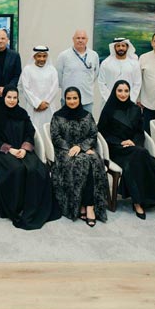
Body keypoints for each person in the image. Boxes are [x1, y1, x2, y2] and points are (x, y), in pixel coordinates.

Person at [0, 86, 59, 230]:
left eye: (15, 97)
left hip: (23, 150)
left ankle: (33, 206)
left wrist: (23, 148)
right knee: (17, 169)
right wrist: (10, 149)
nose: (12, 100)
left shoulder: (22, 113)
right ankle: (16, 208)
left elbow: (30, 132)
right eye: (9, 97)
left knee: (37, 169)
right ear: (4, 97)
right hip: (5, 153)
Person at [98, 80, 155, 219]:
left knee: (134, 162)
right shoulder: (108, 109)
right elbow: (102, 133)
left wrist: (133, 142)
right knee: (141, 153)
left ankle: (138, 203)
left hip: (133, 147)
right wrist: (120, 142)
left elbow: (140, 132)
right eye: (120, 91)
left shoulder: (135, 109)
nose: (123, 94)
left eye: (126, 91)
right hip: (116, 149)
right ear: (114, 92)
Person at [50, 87, 108, 227]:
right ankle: (86, 206)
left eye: (75, 98)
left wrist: (81, 147)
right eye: (69, 98)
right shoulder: (57, 116)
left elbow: (93, 135)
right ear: (65, 99)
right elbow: (56, 137)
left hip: (84, 149)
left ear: (80, 99)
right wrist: (72, 148)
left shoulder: (87, 115)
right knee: (83, 162)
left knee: (94, 160)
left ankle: (87, 206)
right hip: (65, 152)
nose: (72, 101)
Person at [56, 29, 99, 113]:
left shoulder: (94, 55)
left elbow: (95, 74)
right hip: (68, 99)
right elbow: (59, 76)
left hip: (87, 99)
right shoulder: (63, 55)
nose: (80, 40)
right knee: (66, 121)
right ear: (73, 39)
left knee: (86, 121)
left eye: (83, 38)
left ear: (87, 40)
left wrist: (86, 83)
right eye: (78, 38)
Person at [18, 45, 60, 131]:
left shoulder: (52, 70)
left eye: (44, 56)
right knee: (32, 130)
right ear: (34, 56)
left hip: (48, 107)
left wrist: (46, 103)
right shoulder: (27, 70)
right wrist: (37, 103)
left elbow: (55, 88)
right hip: (33, 107)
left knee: (49, 130)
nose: (42, 59)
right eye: (39, 56)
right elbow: (25, 89)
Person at [98, 37, 141, 103]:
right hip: (109, 102)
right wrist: (110, 99)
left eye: (123, 46)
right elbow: (102, 83)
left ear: (127, 47)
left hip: (129, 102)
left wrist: (130, 99)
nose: (121, 48)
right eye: (118, 46)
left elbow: (137, 84)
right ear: (114, 47)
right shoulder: (106, 63)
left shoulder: (134, 64)